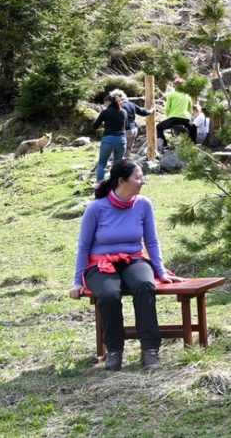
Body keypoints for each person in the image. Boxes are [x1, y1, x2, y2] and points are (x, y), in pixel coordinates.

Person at [67, 159, 180, 371]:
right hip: (100, 264)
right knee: (109, 295)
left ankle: (150, 350)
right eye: (138, 177)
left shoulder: (144, 204)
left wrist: (160, 270)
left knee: (145, 286)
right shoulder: (96, 208)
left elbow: (152, 241)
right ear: (121, 181)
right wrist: (76, 281)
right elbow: (83, 246)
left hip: (133, 259)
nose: (142, 181)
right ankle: (114, 350)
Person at [92, 93, 128, 183]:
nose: (104, 104)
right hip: (121, 139)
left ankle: (100, 185)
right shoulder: (124, 112)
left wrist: (104, 125)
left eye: (105, 102)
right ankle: (115, 184)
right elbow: (125, 126)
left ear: (109, 102)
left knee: (102, 164)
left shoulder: (105, 112)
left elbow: (95, 126)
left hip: (108, 139)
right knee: (118, 165)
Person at [156, 78, 196, 146]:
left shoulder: (171, 95)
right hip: (185, 119)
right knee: (193, 127)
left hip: (174, 118)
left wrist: (168, 117)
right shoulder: (187, 96)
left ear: (175, 86)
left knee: (158, 127)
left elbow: (167, 108)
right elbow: (190, 110)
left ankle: (164, 145)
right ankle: (193, 143)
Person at [117, 90, 150, 157]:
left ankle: (119, 164)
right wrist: (151, 111)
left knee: (119, 149)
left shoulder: (119, 106)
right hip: (134, 129)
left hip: (125, 130)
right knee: (128, 148)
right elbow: (143, 112)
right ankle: (126, 163)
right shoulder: (131, 104)